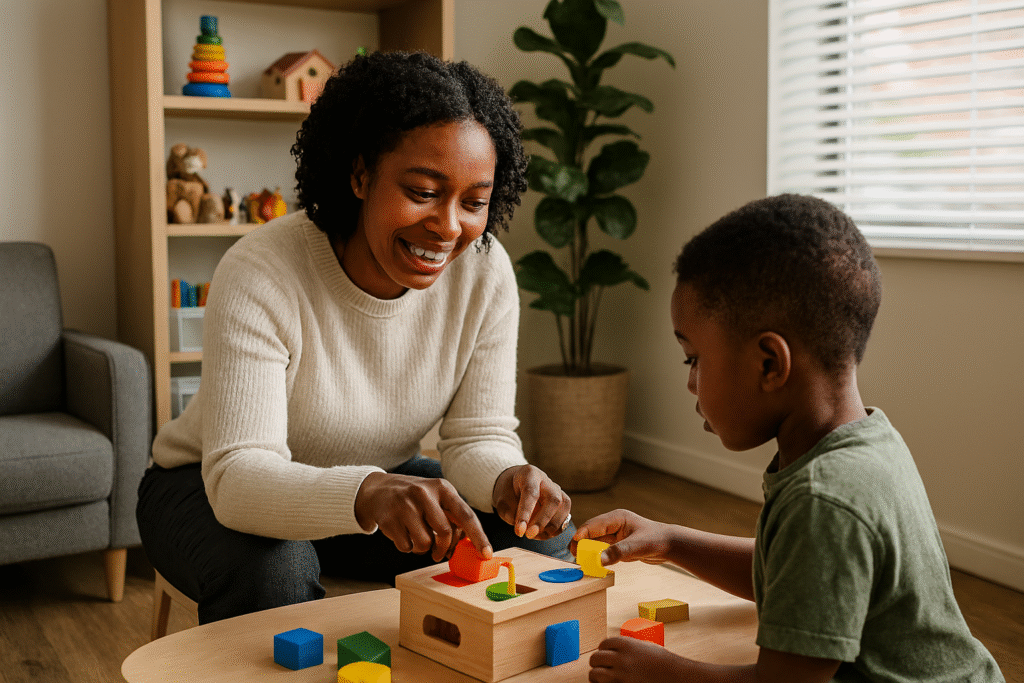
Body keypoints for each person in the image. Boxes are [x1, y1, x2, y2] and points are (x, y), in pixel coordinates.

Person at [136, 51, 574, 625]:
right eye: (422, 191)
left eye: (474, 202)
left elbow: (475, 436)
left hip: (377, 485)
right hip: (209, 486)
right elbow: (240, 476)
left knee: (534, 543)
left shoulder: (486, 273)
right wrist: (365, 492)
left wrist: (507, 479)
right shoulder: (262, 271)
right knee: (276, 572)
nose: (448, 227)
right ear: (360, 175)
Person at [574, 194, 1004, 682]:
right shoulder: (866, 441)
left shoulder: (825, 497)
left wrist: (668, 674)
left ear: (769, 364)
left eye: (693, 358)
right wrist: (671, 541)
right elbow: (798, 575)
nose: (690, 383)